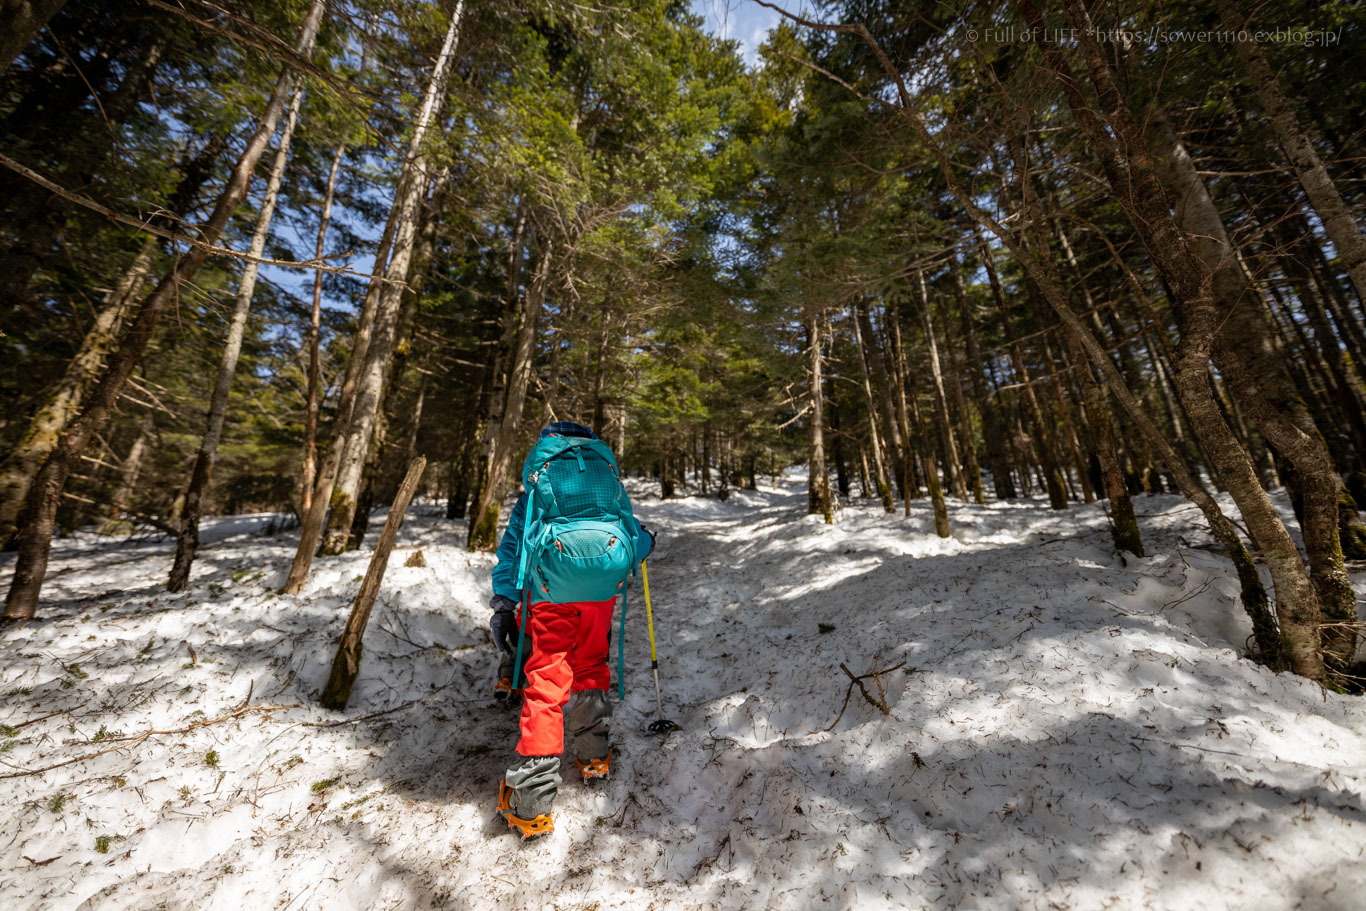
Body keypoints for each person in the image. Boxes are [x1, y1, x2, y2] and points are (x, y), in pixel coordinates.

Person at [488, 421, 655, 839]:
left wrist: (504, 601)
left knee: (546, 678)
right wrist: (648, 541)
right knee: (592, 662)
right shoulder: (606, 480)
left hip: (549, 590)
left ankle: (531, 802)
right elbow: (631, 532)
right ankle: (594, 754)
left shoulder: (539, 484)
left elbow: (513, 545)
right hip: (601, 589)